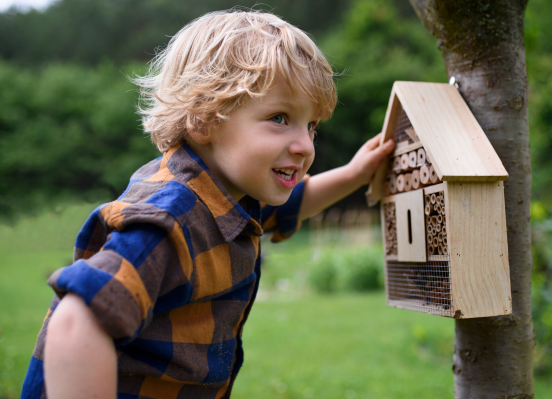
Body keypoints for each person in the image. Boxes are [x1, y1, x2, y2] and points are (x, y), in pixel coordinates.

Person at [21, 9, 395, 399]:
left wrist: (354, 174)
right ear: (203, 120)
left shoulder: (230, 194)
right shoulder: (172, 220)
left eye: (311, 125)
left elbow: (293, 205)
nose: (304, 145)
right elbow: (76, 322)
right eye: (280, 117)